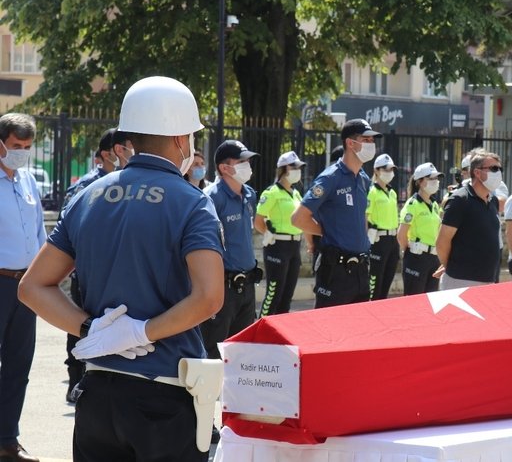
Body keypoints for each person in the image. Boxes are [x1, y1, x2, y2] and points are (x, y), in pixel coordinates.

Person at [18, 76, 224, 461]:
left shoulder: (88, 197)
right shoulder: (192, 203)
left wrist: (91, 329)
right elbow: (209, 298)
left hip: (98, 395)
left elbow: (32, 287)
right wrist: (142, 331)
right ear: (181, 139)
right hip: (164, 393)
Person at [62, 128, 128, 404]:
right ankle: (77, 380)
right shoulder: (89, 185)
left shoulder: (130, 184)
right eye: (120, 148)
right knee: (82, 324)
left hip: (118, 270)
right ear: (108, 153)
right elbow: (70, 228)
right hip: (89, 270)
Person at [292, 118, 380, 308]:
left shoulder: (364, 180)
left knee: (359, 332)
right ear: (350, 143)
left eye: (373, 141)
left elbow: (361, 216)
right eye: (366, 140)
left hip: (361, 269)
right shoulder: (330, 178)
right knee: (329, 333)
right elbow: (299, 218)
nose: (372, 145)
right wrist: (329, 232)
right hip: (336, 271)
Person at [0, 112, 44, 462]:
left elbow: (39, 233)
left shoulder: (28, 181)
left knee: (18, 367)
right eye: (16, 146)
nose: (22, 153)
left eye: (27, 147)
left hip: (24, 287)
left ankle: (7, 440)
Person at [201, 140, 261, 359]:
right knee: (215, 348)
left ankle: (235, 394)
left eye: (248, 160)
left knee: (243, 349)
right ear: (224, 168)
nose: (247, 165)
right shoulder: (211, 198)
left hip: (246, 284)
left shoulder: (249, 194)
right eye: (241, 161)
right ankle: (211, 394)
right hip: (222, 286)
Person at [434, 150, 501, 289]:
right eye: (494, 168)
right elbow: (442, 242)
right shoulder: (460, 200)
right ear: (477, 172)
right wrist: (452, 267)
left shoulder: (493, 200)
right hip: (460, 281)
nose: (498, 173)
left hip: (488, 280)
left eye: (500, 169)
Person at [254, 151, 305, 316]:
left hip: (294, 246)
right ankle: (263, 329)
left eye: (299, 167)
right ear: (283, 169)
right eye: (294, 166)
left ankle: (280, 333)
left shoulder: (296, 193)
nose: (298, 170)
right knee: (274, 293)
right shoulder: (271, 192)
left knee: (287, 295)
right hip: (277, 246)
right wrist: (267, 234)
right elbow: (258, 220)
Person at [398, 163, 443, 295]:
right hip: (416, 257)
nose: (435, 182)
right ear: (420, 182)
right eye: (431, 178)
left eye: (437, 178)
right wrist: (411, 252)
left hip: (434, 258)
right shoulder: (412, 204)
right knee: (414, 301)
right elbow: (401, 235)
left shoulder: (434, 205)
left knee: (431, 302)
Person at [366, 153, 400, 300]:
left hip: (393, 240)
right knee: (375, 281)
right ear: (376, 171)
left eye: (391, 169)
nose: (389, 173)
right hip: (378, 240)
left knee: (387, 281)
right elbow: (365, 217)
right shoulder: (371, 192)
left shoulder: (392, 193)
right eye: (386, 169)